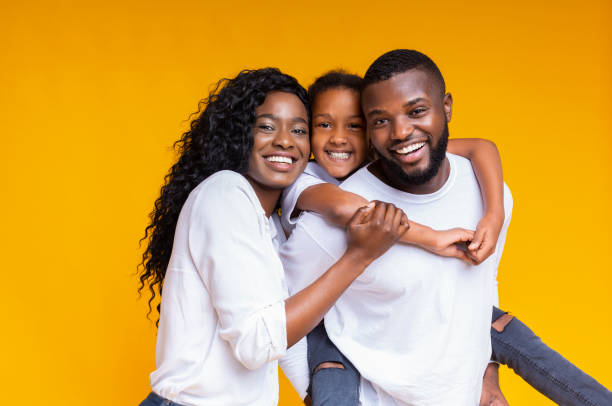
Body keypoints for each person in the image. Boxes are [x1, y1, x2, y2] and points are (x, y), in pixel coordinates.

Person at [279, 51, 612, 405]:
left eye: (417, 111)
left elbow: (478, 282)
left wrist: (487, 377)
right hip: (361, 372)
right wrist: (316, 390)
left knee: (521, 340)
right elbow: (278, 318)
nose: (402, 131)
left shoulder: (484, 192)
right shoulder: (324, 213)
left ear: (447, 107)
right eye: (380, 120)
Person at [136, 67, 409, 406]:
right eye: (266, 126)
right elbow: (257, 343)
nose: (284, 140)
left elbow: (279, 332)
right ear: (238, 135)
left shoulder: (269, 225)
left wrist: (313, 394)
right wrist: (358, 256)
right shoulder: (225, 194)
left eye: (299, 129)